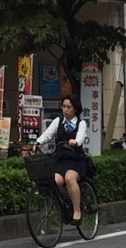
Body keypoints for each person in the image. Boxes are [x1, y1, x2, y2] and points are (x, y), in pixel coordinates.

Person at [36, 93, 91, 223]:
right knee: (53, 181)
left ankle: (77, 210)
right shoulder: (58, 121)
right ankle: (64, 204)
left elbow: (81, 136)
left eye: (69, 107)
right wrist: (37, 143)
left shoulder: (81, 123)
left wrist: (76, 142)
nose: (65, 110)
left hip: (75, 160)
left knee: (70, 178)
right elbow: (47, 134)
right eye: (63, 106)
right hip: (61, 159)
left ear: (75, 109)